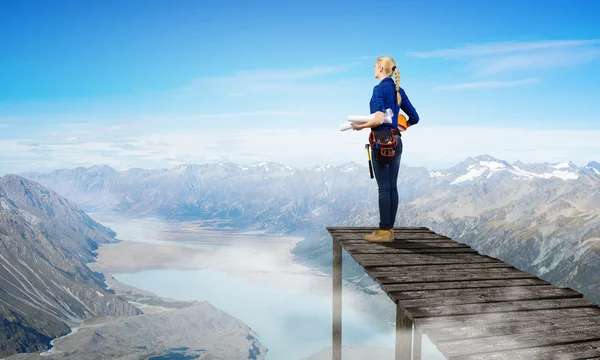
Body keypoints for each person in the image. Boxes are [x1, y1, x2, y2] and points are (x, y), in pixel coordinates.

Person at [351, 56, 419, 242]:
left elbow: (379, 119)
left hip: (381, 142)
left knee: (383, 189)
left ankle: (383, 233)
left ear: (381, 68)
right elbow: (414, 117)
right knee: (392, 187)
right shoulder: (399, 91)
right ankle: (389, 230)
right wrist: (401, 126)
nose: (373, 68)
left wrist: (360, 126)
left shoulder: (379, 89)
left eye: (375, 66)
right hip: (396, 141)